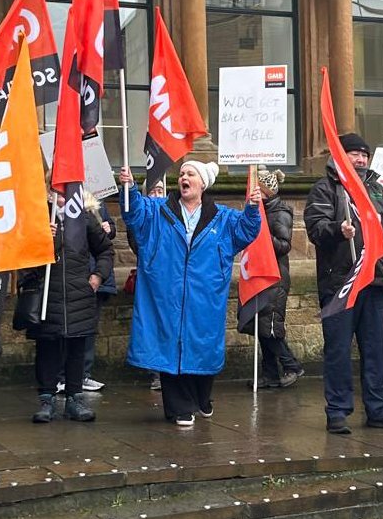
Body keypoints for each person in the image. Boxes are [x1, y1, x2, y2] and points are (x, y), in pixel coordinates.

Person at [118, 160, 261, 427]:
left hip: (205, 297)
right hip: (166, 295)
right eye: (181, 173)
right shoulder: (157, 211)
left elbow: (246, 231)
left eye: (190, 173)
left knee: (203, 348)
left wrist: (253, 209)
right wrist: (129, 189)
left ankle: (200, 397)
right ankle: (180, 407)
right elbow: (133, 213)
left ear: (202, 184)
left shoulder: (223, 217)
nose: (184, 177)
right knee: (169, 347)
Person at [303, 132, 383, 434]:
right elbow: (316, 228)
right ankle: (337, 410)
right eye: (354, 154)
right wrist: (339, 230)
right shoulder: (324, 189)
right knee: (338, 351)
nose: (361, 159)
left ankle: (378, 409)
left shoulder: (376, 189)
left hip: (373, 282)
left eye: (364, 154)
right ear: (340, 156)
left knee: (376, 350)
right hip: (340, 285)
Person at [22, 187, 114, 423]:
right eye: (56, 189)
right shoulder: (38, 217)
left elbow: (105, 250)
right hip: (48, 295)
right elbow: (24, 260)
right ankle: (46, 399)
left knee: (76, 347)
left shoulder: (83, 218)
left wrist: (97, 277)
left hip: (78, 295)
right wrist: (44, 240)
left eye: (65, 189)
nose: (61, 195)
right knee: (48, 348)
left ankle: (75, 398)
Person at [238, 168, 304, 389]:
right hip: (260, 273)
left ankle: (291, 364)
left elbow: (284, 245)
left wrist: (263, 236)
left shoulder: (280, 212)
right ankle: (270, 374)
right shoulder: (259, 211)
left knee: (270, 326)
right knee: (260, 325)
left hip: (274, 276)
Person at [125, 179, 166, 392]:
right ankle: (156, 373)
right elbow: (137, 244)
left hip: (171, 281)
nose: (158, 195)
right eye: (153, 191)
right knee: (152, 326)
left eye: (161, 190)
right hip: (150, 280)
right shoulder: (142, 217)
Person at [81, 193, 117, 392]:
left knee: (89, 328)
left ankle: (84, 374)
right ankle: (60, 376)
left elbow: (109, 235)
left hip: (95, 277)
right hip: (72, 278)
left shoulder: (97, 204)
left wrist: (108, 228)